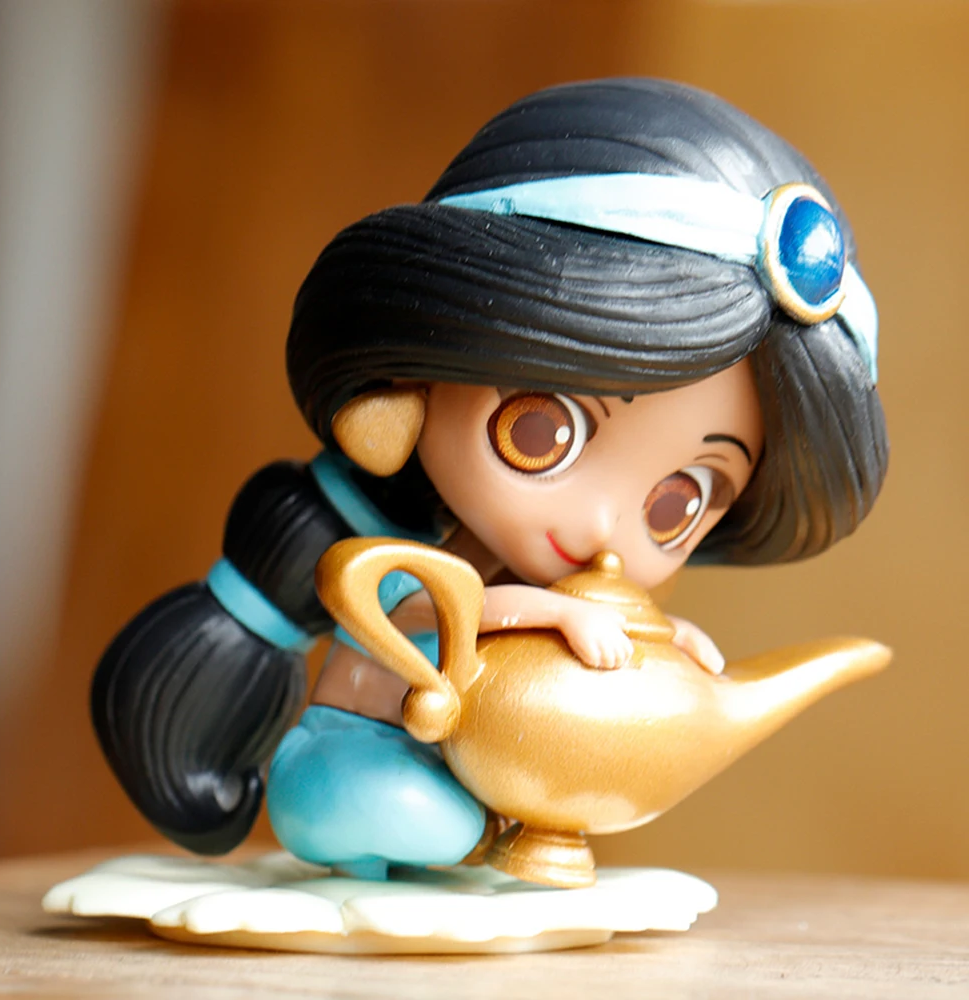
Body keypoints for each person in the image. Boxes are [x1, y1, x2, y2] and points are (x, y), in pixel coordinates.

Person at [92, 78, 887, 875]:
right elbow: (444, 612)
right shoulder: (410, 561)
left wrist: (672, 641)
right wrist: (555, 614)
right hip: (351, 762)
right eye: (542, 432)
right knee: (433, 823)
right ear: (418, 377)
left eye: (676, 502)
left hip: (459, 785)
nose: (600, 523)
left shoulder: (561, 585)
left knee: (463, 823)